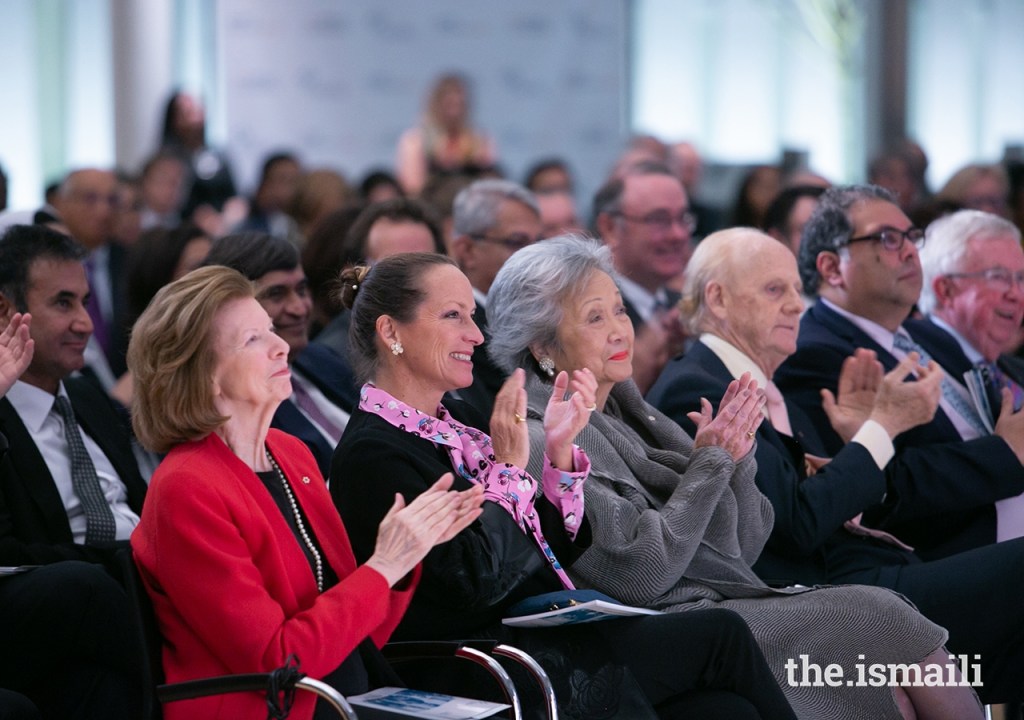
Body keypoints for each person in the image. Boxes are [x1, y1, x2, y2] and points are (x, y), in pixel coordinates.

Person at [486, 234, 982, 720]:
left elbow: (740, 549)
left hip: (723, 602)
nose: (620, 329)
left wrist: (737, 461)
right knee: (881, 615)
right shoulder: (537, 439)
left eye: (619, 309)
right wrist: (711, 464)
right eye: (595, 317)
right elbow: (641, 575)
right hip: (667, 628)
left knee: (890, 661)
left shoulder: (629, 412)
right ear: (543, 346)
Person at [330, 252, 797, 720]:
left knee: (724, 709)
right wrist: (511, 470)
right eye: (453, 316)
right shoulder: (374, 454)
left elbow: (542, 551)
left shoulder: (464, 424)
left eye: (472, 316)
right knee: (723, 636)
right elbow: (469, 585)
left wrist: (556, 457)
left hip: (536, 636)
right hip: (482, 663)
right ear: (391, 332)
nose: (474, 335)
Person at [647, 227, 1024, 704]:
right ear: (717, 299)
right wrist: (881, 429)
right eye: (773, 290)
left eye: (795, 290)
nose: (795, 305)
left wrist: (854, 440)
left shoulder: (759, 384)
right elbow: (796, 526)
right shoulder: (700, 388)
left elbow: (820, 497)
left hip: (867, 572)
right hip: (826, 601)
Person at [128, 265, 484, 720]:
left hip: (340, 698)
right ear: (202, 373)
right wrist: (385, 564)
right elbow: (278, 663)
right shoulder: (186, 487)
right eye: (253, 340)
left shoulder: (291, 454)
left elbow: (357, 637)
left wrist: (406, 556)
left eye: (271, 330)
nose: (281, 346)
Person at [775, 185, 1024, 559]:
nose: (910, 251)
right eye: (888, 239)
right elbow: (882, 485)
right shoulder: (815, 354)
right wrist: (1002, 455)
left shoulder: (927, 336)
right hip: (949, 558)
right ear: (832, 268)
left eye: (912, 236)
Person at [0, 224, 146, 574]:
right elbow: (10, 556)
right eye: (63, 303)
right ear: (4, 311)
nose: (85, 324)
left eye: (86, 303)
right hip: (83, 597)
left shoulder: (88, 397)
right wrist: (129, 562)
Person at [204, 233, 357, 477]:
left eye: (301, 289)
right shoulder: (239, 409)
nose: (299, 308)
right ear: (230, 307)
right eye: (276, 294)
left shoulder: (320, 358)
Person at [591, 161, 692, 394]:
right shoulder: (586, 315)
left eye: (683, 218)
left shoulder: (684, 307)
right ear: (610, 228)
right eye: (659, 220)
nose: (678, 234)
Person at [918, 209, 1024, 424]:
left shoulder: (1015, 372)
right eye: (998, 277)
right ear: (946, 289)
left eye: (1020, 278)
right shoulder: (915, 368)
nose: (1015, 293)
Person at [448, 179, 541, 416]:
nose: (533, 257)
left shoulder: (537, 313)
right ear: (467, 250)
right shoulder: (458, 331)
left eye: (537, 243)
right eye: (517, 243)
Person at [396, 73, 497, 196]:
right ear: (436, 105)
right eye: (449, 105)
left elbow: (490, 182)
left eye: (460, 105)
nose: (455, 112)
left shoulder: (481, 141)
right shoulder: (416, 140)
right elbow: (412, 188)